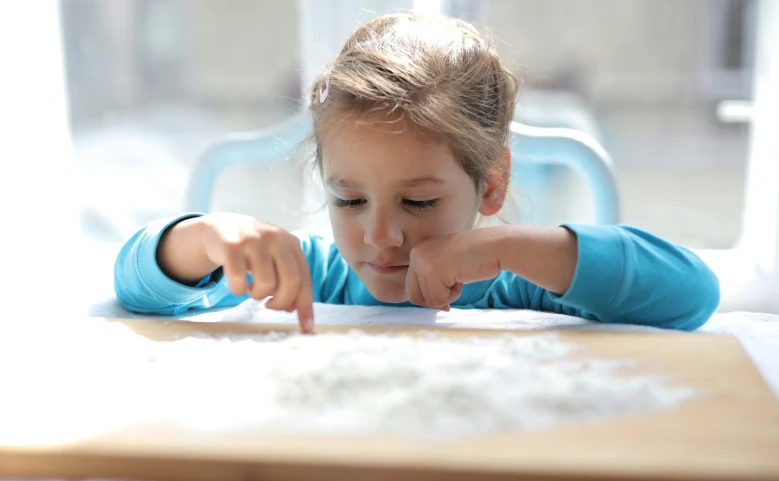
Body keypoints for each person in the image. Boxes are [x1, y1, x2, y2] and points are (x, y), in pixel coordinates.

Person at [114, 13, 720, 333]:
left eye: (419, 203)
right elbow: (136, 289)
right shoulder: (312, 278)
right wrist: (201, 239)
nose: (381, 237)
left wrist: (511, 246)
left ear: (491, 184)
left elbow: (694, 295)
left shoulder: (523, 288)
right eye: (349, 200)